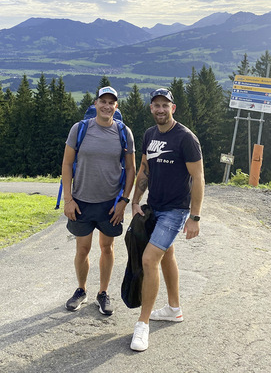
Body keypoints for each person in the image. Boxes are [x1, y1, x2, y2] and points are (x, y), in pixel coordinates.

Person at [130, 88, 205, 351]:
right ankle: (174, 309)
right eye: (156, 105)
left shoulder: (185, 138)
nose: (160, 109)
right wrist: (135, 200)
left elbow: (198, 177)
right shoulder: (150, 135)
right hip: (155, 207)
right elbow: (145, 169)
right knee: (167, 255)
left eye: (165, 105)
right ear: (151, 108)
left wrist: (194, 216)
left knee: (149, 259)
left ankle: (142, 325)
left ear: (173, 108)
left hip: (175, 210)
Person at [62, 86, 135, 315]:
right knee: (82, 249)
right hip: (81, 201)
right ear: (95, 104)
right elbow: (66, 164)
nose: (106, 106)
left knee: (107, 248)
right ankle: (81, 290)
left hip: (110, 204)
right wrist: (68, 199)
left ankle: (103, 293)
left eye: (111, 102)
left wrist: (124, 201)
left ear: (116, 106)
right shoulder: (80, 129)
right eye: (103, 101)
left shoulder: (124, 132)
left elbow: (131, 169)